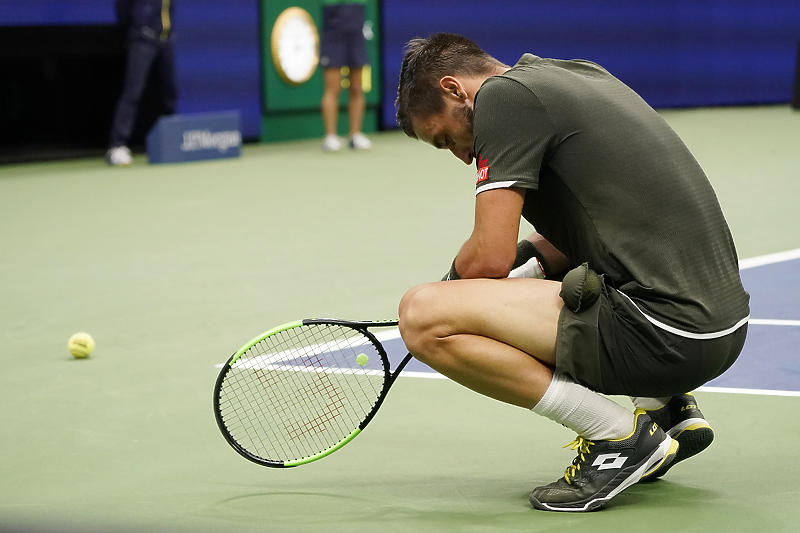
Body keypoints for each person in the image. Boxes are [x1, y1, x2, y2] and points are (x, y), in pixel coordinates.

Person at [395, 33, 749, 512]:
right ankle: (666, 407)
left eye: (445, 138)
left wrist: (451, 293)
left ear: (456, 89)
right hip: (718, 331)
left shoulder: (501, 97)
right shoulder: (575, 73)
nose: (459, 153)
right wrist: (512, 275)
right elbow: (583, 232)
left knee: (422, 315)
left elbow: (489, 258)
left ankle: (619, 440)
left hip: (666, 334)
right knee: (537, 264)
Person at [106, 0, 177, 166]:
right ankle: (117, 146)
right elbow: (123, 8)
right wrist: (136, 29)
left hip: (166, 41)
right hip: (142, 39)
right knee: (133, 93)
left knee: (169, 94)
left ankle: (174, 141)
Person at [319, 0, 372, 152]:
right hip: (333, 33)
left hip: (356, 32)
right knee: (332, 88)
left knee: (356, 88)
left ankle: (355, 135)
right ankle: (330, 136)